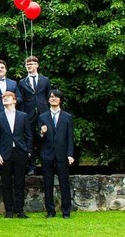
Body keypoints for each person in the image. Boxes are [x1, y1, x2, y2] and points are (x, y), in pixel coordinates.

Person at [0, 91, 32, 219]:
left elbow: (28, 135)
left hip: (20, 152)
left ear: (14, 100)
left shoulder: (23, 116)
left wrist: (28, 150)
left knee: (20, 183)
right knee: (6, 183)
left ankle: (20, 210)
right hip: (5, 153)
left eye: (8, 97)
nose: (5, 99)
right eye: (3, 97)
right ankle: (9, 211)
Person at [38, 89, 74, 219]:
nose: (53, 99)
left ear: (60, 100)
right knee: (48, 184)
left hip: (62, 155)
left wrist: (70, 154)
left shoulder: (67, 117)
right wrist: (41, 132)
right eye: (51, 97)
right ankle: (50, 211)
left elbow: (70, 137)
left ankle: (66, 212)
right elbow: (38, 138)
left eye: (56, 97)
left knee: (64, 184)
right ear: (48, 100)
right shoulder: (42, 117)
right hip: (47, 155)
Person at [18, 56, 51, 175]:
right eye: (27, 64)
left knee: (45, 137)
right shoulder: (22, 82)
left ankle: (47, 165)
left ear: (37, 65)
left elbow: (48, 96)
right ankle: (32, 167)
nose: (29, 66)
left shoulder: (45, 80)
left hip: (43, 113)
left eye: (31, 64)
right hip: (28, 114)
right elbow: (21, 99)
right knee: (29, 139)